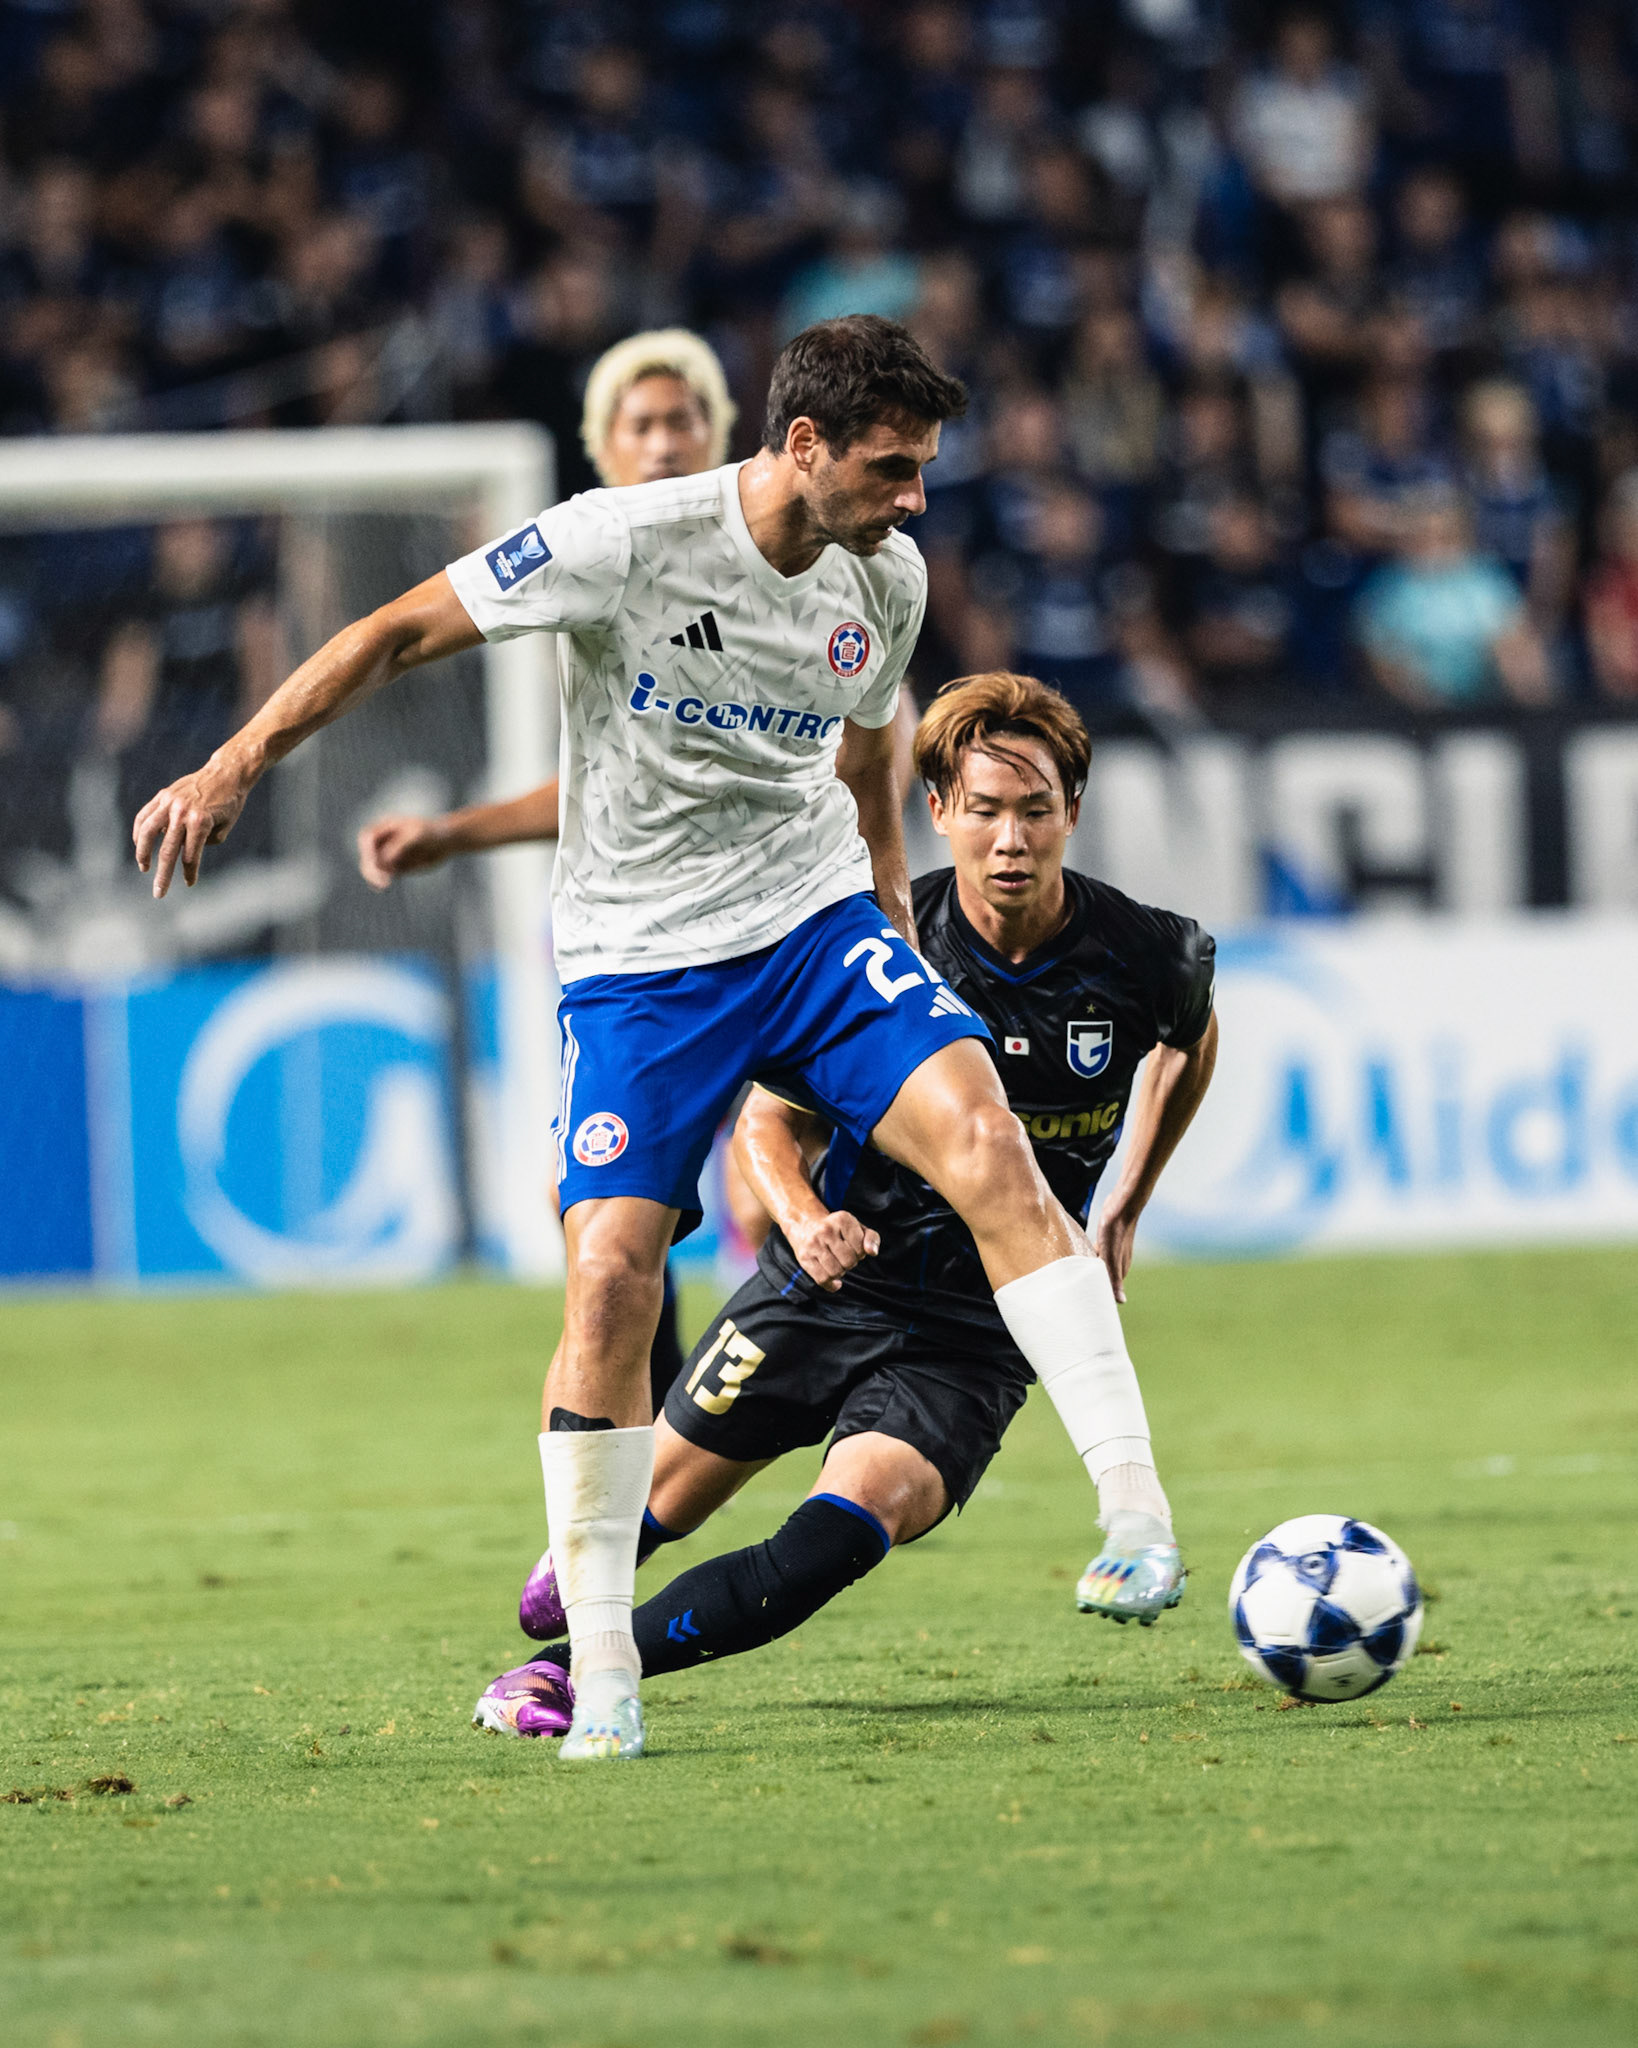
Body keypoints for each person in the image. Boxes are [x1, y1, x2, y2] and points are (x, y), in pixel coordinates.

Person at [134, 316, 1184, 1767]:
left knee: (989, 1143)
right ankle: (605, 1668)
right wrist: (234, 758)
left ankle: (1134, 1513)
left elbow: (871, 760)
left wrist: (887, 910)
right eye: (892, 468)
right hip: (641, 967)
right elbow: (395, 631)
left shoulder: (886, 575)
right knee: (614, 1273)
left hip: (814, 925)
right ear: (801, 445)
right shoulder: (619, 540)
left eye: (924, 471)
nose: (915, 500)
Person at [475, 671, 1217, 1739]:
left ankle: (559, 1674)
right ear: (940, 812)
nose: (1011, 839)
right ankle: (590, 1563)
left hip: (973, 1336)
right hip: (824, 1287)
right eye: (986, 810)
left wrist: (1127, 1199)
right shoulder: (878, 948)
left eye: (1035, 810)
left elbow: (1192, 1036)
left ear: (1073, 813)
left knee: (842, 1532)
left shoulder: (1145, 951)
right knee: (638, 1513)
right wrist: (795, 1215)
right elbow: (771, 1125)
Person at [1355, 485, 1552, 708]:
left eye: (1444, 537)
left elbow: (1516, 638)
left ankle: (1539, 722)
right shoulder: (1388, 589)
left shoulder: (1485, 580)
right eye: (1423, 537)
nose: (1433, 547)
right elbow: (1381, 659)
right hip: (1416, 706)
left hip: (1487, 697)